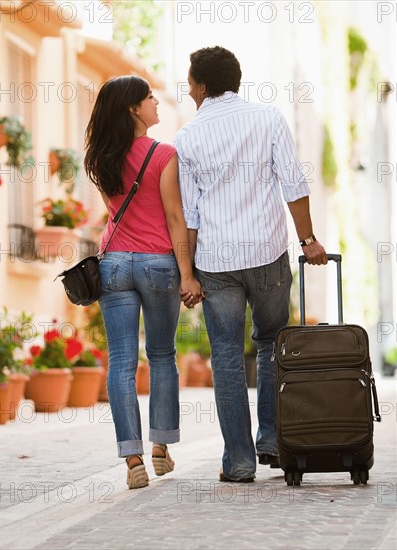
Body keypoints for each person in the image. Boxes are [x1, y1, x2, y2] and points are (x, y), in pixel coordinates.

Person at [174, 46, 327, 482]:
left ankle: (239, 461)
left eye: (189, 83)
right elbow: (293, 185)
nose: (188, 90)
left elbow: (191, 215)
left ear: (202, 85)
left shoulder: (186, 139)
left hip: (216, 261)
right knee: (273, 341)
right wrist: (309, 240)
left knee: (224, 354)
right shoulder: (268, 119)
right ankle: (273, 440)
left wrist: (188, 274)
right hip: (267, 252)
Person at [84, 76, 203, 490]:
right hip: (158, 265)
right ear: (134, 108)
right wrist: (188, 273)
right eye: (150, 98)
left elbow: (115, 214)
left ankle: (132, 458)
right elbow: (174, 217)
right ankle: (160, 447)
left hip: (114, 264)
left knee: (120, 361)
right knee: (162, 354)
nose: (156, 103)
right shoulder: (163, 153)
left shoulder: (101, 157)